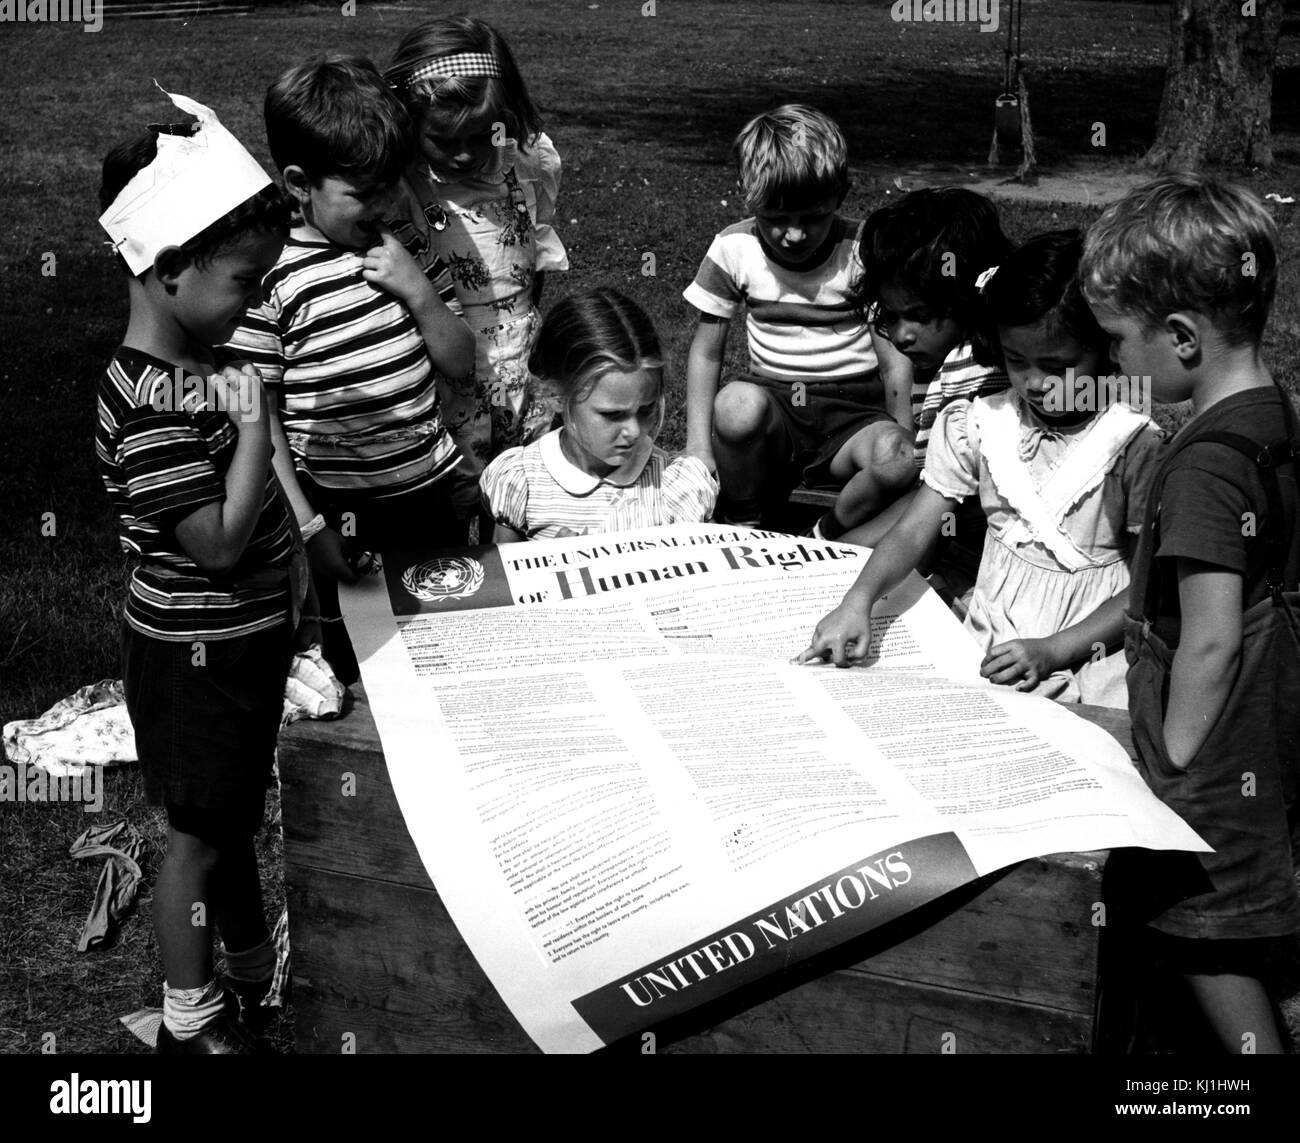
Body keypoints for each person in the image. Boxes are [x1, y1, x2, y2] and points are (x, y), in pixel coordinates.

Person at [96, 92, 307, 1053]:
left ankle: (255, 971)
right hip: (196, 655)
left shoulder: (204, 362)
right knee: (197, 836)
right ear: (166, 268)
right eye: (243, 280)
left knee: (228, 815)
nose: (258, 301)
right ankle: (193, 1016)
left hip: (241, 643)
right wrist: (257, 425)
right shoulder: (150, 405)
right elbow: (219, 542)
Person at [1081, 174, 1300, 1053]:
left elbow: (1208, 636)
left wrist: (1173, 755)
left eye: (1118, 342)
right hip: (1272, 717)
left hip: (1215, 747)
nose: (1112, 365)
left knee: (1203, 925)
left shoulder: (1202, 465)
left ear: (1180, 336)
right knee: (1259, 909)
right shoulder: (1277, 416)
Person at [798, 230, 1162, 711]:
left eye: (1057, 366)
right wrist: (858, 601)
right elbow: (912, 532)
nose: (1034, 382)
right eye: (1016, 361)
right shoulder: (979, 424)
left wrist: (1057, 650)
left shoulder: (1130, 443)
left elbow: (1145, 582)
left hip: (1091, 650)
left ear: (1105, 349)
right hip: (989, 637)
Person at [227, 54, 476, 685]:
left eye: (392, 183)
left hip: (431, 486)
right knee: (359, 664)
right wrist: (309, 526)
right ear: (297, 183)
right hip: (342, 506)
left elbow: (460, 362)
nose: (386, 201)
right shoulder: (270, 277)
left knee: (450, 642)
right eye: (362, 192)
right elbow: (260, 417)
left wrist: (419, 290)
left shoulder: (402, 247)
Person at [682, 104, 913, 529]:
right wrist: (699, 444)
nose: (794, 234)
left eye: (813, 217)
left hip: (852, 417)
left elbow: (892, 355)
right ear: (748, 194)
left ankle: (830, 533)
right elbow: (707, 352)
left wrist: (904, 430)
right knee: (735, 405)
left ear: (841, 194)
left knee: (895, 457)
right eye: (776, 218)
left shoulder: (863, 248)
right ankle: (742, 519)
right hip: (775, 413)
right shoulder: (735, 248)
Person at [386, 15, 569, 483]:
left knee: (525, 492)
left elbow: (533, 259)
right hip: (443, 377)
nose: (465, 153)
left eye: (479, 136)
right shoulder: (403, 185)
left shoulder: (527, 165)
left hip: (524, 371)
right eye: (444, 140)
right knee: (454, 495)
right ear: (409, 120)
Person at [826, 187, 1014, 564]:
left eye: (920, 316)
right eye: (890, 317)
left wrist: (844, 551)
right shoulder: (941, 357)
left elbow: (935, 504)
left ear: (967, 297)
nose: (901, 335)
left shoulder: (972, 374)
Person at [481, 288, 717, 540]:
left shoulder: (673, 488)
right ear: (555, 396)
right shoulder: (523, 483)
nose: (634, 431)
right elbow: (503, 576)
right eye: (613, 414)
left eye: (646, 410)